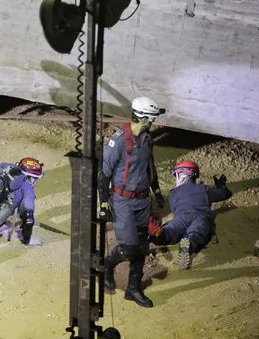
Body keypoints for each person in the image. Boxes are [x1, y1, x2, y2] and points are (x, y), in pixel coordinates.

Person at [98, 96, 166, 308]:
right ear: (144, 118)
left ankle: (133, 289)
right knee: (128, 248)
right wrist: (103, 203)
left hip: (142, 201)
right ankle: (105, 268)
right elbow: (104, 175)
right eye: (151, 119)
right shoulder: (117, 142)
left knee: (142, 246)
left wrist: (157, 191)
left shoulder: (147, 139)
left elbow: (150, 168)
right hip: (122, 202)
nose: (153, 122)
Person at [148, 160, 233, 269]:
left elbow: (175, 210)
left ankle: (158, 233)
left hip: (181, 217)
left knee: (172, 228)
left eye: (177, 176)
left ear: (183, 176)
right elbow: (224, 194)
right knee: (197, 232)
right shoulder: (204, 189)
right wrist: (221, 187)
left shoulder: (173, 193)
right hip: (201, 217)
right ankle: (189, 245)